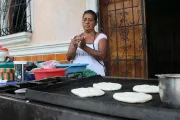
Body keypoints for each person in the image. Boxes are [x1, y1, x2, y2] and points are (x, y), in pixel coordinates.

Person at [67, 10, 107, 76]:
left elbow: (102, 56)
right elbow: (69, 58)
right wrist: (74, 46)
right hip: (77, 74)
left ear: (96, 23)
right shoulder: (76, 38)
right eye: (84, 20)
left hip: (95, 74)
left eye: (90, 20)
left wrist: (84, 47)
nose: (87, 22)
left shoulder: (101, 37)